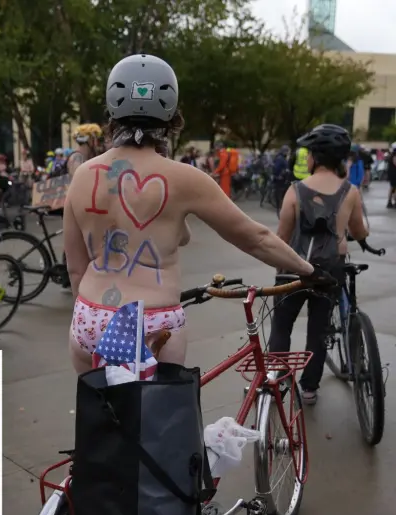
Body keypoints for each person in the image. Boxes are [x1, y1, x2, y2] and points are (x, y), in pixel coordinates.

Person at [61, 53, 332, 375]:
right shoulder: (185, 178)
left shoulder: (83, 175)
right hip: (152, 323)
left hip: (91, 315)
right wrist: (308, 270)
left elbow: (76, 267)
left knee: (101, 415)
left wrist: (96, 316)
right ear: (171, 114)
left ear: (112, 110)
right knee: (159, 421)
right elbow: (254, 238)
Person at [268, 124, 369, 405]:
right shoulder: (350, 191)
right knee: (319, 330)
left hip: (294, 267)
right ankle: (309, 388)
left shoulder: (295, 190)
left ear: (315, 157)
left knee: (282, 325)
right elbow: (359, 230)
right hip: (329, 269)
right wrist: (358, 237)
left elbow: (282, 236)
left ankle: (278, 379)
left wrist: (279, 270)